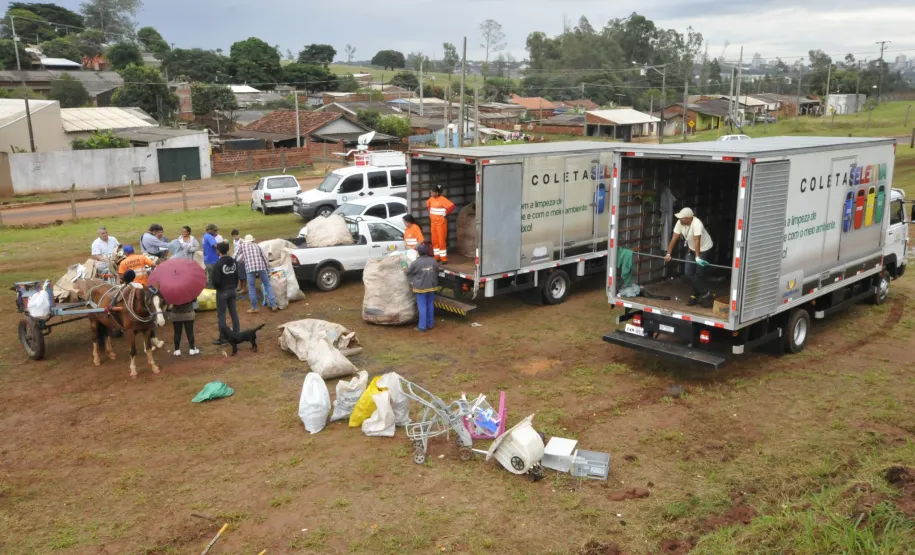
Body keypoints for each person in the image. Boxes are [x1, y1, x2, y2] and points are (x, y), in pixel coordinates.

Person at [664, 207, 715, 307]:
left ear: (688, 218)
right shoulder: (680, 223)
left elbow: (697, 241)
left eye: (682, 218)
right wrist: (668, 253)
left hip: (704, 248)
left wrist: (697, 258)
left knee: (699, 274)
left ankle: (694, 295)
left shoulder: (697, 224)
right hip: (692, 248)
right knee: (688, 273)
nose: (679, 219)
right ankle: (706, 293)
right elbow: (674, 238)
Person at [235, 234, 278, 313]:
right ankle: (273, 305)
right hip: (261, 267)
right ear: (253, 240)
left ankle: (255, 307)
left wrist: (234, 262)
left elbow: (236, 256)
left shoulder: (242, 245)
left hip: (250, 268)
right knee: (267, 284)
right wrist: (268, 270)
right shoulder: (257, 246)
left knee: (251, 286)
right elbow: (264, 258)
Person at [406, 243, 439, 332]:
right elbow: (437, 271)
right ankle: (430, 324)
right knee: (430, 305)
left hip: (420, 288)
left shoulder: (415, 263)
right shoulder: (433, 261)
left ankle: (422, 327)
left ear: (418, 252)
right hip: (432, 287)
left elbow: (408, 272)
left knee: (422, 307)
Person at [211, 242, 240, 346]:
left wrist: (218, 288)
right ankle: (237, 334)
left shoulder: (218, 264)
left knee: (222, 315)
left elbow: (215, 281)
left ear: (218, 251)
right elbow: (237, 276)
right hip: (233, 289)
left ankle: (223, 338)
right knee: (234, 313)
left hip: (222, 291)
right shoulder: (234, 262)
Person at [426, 185, 455, 263]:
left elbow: (452, 206)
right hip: (433, 224)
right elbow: (428, 205)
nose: (431, 194)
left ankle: (444, 259)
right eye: (430, 192)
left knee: (441, 241)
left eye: (432, 192)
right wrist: (429, 213)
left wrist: (445, 213)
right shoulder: (431, 199)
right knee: (434, 241)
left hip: (441, 223)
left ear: (437, 192)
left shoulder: (443, 200)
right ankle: (436, 257)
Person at [202, 223, 220, 288]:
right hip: (212, 260)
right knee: (213, 278)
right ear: (209, 230)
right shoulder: (209, 237)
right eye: (214, 231)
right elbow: (215, 245)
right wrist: (223, 246)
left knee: (210, 277)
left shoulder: (204, 236)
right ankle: (213, 293)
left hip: (207, 260)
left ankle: (211, 293)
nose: (216, 232)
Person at [231, 229, 247, 295]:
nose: (235, 237)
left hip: (241, 260)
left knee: (243, 274)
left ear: (238, 235)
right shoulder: (234, 241)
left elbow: (243, 251)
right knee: (239, 274)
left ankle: (244, 288)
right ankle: (241, 287)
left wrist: (240, 258)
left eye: (235, 236)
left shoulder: (242, 241)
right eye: (233, 236)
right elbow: (235, 250)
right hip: (236, 259)